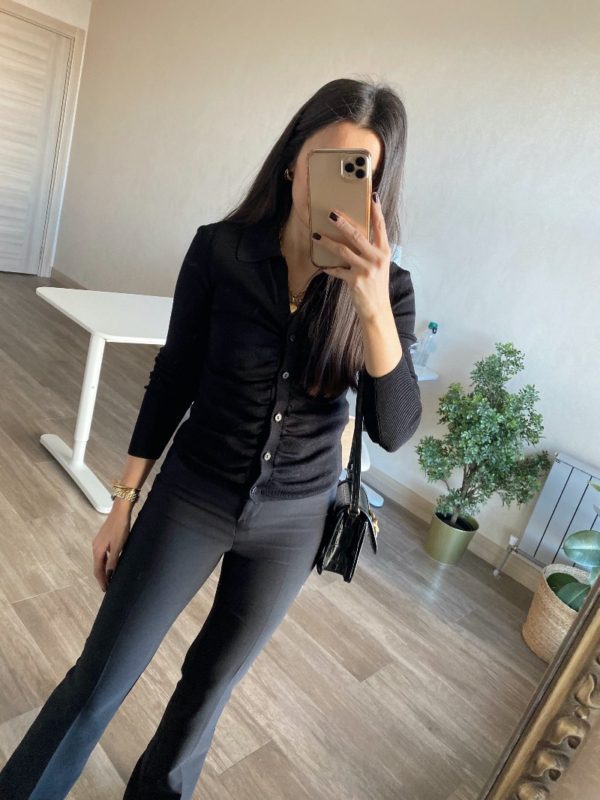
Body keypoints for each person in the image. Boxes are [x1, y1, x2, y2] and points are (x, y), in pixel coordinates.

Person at [0, 77, 422, 800]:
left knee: (206, 694)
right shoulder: (220, 250)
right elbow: (173, 378)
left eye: (359, 174)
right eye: (325, 163)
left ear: (376, 192)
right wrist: (123, 500)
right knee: (100, 677)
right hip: (193, 494)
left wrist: (372, 305)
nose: (336, 189)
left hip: (295, 522)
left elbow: (392, 429)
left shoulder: (388, 291)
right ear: (291, 161)